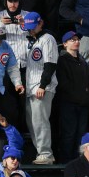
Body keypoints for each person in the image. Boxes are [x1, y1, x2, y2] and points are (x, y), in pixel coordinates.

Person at [22, 12, 58, 165]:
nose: (30, 30)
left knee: (40, 121)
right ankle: (41, 153)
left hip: (42, 86)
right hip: (32, 87)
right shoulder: (33, 40)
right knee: (32, 122)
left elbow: (50, 65)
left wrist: (43, 85)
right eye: (28, 28)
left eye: (33, 27)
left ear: (40, 23)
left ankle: (45, 153)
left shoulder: (47, 39)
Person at [56, 31, 89, 163]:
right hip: (69, 104)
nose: (76, 41)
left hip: (82, 104)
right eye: (72, 40)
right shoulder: (62, 60)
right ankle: (67, 160)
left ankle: (79, 159)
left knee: (81, 133)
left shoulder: (82, 60)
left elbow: (88, 82)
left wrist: (88, 97)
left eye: (77, 39)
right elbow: (64, 84)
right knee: (69, 133)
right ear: (65, 44)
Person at [0, 0, 30, 69]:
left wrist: (24, 23)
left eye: (15, 1)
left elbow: (38, 32)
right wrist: (0, 24)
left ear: (20, 2)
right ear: (6, 2)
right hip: (4, 62)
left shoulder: (27, 15)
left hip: (24, 62)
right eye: (10, 1)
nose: (12, 4)